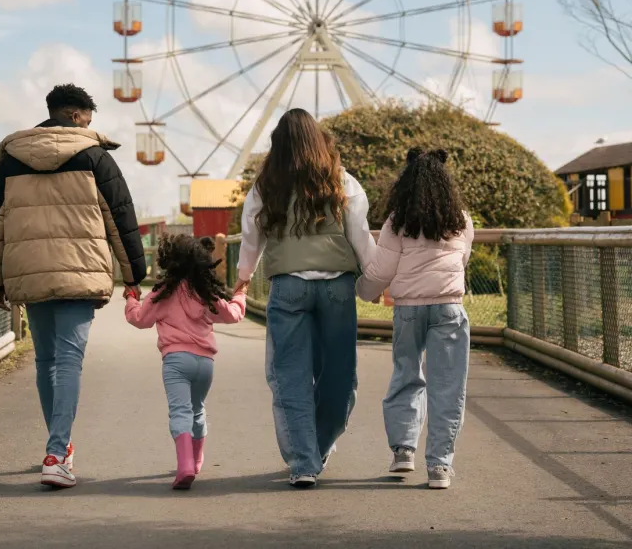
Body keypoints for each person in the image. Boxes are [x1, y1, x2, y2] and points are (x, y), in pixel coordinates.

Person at [0, 83, 147, 489]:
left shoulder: (11, 162)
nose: (90, 125)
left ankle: (60, 446)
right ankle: (56, 454)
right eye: (88, 119)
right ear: (74, 115)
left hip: (30, 273)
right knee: (69, 361)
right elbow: (120, 216)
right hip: (79, 272)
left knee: (45, 361)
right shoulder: (94, 157)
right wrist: (133, 276)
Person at [237, 108, 377, 489]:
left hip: (289, 286)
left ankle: (304, 461)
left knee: (290, 375)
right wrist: (379, 282)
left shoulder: (267, 185)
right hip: (337, 287)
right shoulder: (342, 180)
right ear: (319, 140)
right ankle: (319, 445)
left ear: (277, 145)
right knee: (339, 375)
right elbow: (360, 236)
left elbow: (251, 237)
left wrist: (243, 279)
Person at [357, 147, 474, 490]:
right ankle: (439, 466)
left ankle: (403, 450)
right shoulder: (461, 220)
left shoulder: (398, 221)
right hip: (449, 307)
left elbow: (382, 270)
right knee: (448, 387)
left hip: (408, 308)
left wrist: (363, 290)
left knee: (407, 374)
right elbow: (461, 261)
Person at [125, 234, 246, 490]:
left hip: (176, 362)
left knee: (180, 411)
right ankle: (197, 458)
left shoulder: (162, 293)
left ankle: (185, 466)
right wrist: (240, 295)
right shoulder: (205, 292)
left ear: (168, 261)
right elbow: (232, 314)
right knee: (197, 409)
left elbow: (140, 319)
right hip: (205, 363)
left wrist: (131, 298)